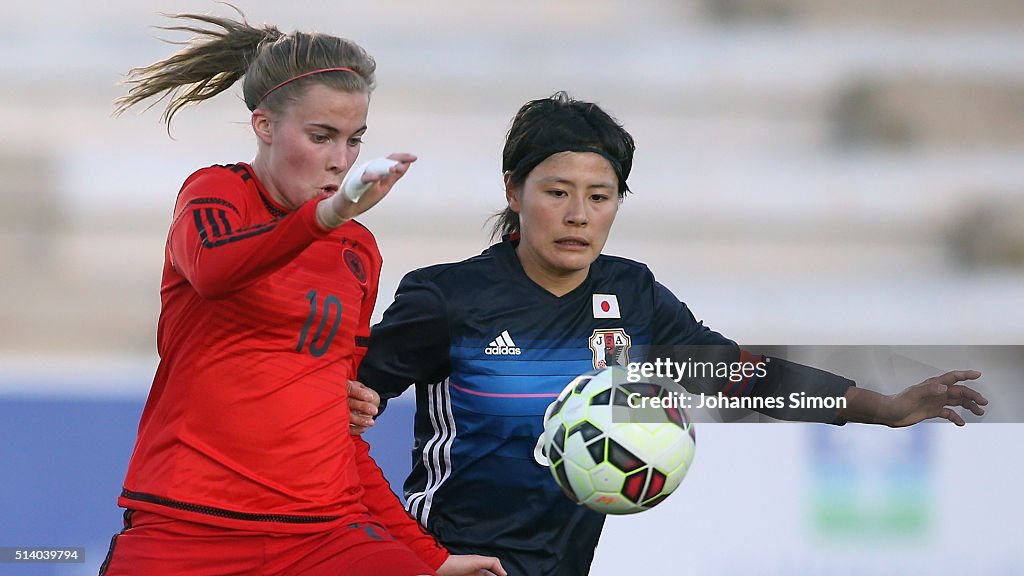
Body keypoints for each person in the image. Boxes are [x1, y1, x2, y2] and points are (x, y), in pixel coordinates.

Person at [346, 92, 989, 576]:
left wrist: (882, 407)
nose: (578, 215)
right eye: (557, 191)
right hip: (451, 563)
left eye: (600, 197)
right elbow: (337, 403)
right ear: (514, 192)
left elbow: (735, 375)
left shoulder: (631, 294)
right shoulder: (448, 297)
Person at [100, 9, 505, 576]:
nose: (340, 160)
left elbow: (341, 428)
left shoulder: (356, 251)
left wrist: (429, 559)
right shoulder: (216, 193)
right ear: (264, 126)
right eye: (321, 137)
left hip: (323, 537)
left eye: (353, 140)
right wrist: (326, 214)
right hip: (189, 526)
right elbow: (217, 271)